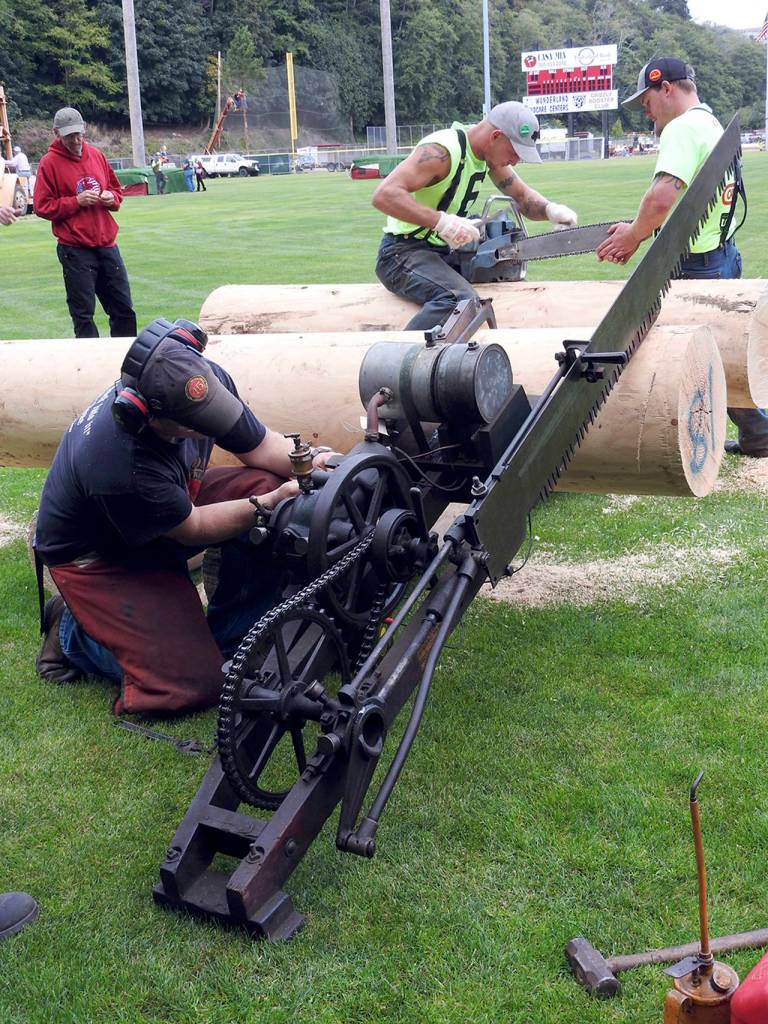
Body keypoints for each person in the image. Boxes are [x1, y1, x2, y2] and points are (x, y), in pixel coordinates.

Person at [34, 317, 337, 716]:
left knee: (264, 482)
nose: (212, 427)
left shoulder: (202, 384)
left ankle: (233, 637)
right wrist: (271, 500)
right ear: (150, 418)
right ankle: (73, 631)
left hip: (169, 504)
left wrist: (318, 463)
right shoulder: (118, 463)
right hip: (102, 555)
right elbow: (192, 528)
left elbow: (261, 446)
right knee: (192, 684)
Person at [596, 56, 768, 458]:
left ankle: (638, 431)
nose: (647, 112)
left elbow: (662, 196)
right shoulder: (711, 124)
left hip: (696, 264)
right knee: (724, 351)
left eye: (647, 102)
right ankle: (758, 433)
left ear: (667, 89)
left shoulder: (682, 129)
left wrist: (634, 236)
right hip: (720, 253)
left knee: (653, 345)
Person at [371, 101, 578, 330]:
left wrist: (552, 210)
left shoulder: (486, 156)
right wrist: (442, 222)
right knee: (460, 301)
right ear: (496, 136)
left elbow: (522, 197)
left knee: (505, 273)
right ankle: (402, 358)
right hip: (400, 254)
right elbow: (384, 195)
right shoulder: (443, 150)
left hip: (439, 253)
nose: (515, 161)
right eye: (514, 152)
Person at [34, 106, 137, 340]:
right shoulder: (49, 163)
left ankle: (126, 366)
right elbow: (41, 206)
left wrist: (112, 198)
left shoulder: (97, 155)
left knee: (123, 310)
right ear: (56, 133)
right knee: (83, 315)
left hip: (106, 243)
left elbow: (114, 188)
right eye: (70, 135)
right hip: (75, 249)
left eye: (79, 133)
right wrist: (75, 202)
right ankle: (88, 367)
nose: (76, 139)